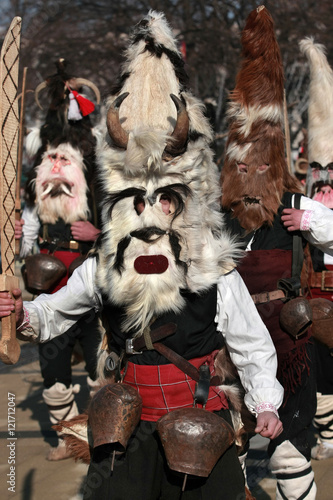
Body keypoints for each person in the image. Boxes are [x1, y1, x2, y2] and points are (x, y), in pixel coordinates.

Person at [1, 11, 283, 500]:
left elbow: (250, 342)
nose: (151, 210)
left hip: (200, 420)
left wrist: (266, 403)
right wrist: (19, 313)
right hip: (128, 426)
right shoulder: (105, 266)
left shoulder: (210, 263)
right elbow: (51, 314)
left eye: (164, 198)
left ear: (183, 198)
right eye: (138, 198)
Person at [220, 6, 333, 500]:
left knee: (289, 450)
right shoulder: (218, 215)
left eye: (259, 167)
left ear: (274, 164)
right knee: (232, 449)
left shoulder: (297, 203)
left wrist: (313, 222)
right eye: (241, 167)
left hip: (289, 344)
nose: (250, 176)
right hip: (229, 349)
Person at [16, 59, 103, 461]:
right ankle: (68, 439)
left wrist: (98, 235)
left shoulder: (99, 198)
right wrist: (15, 242)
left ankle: (102, 436)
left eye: (64, 161)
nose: (55, 168)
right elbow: (25, 241)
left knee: (103, 367)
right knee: (53, 373)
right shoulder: (38, 199)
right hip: (48, 289)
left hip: (93, 288)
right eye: (51, 161)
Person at [297, 37, 333, 461]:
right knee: (318, 372)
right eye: (318, 182)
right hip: (314, 304)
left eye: (331, 182)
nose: (324, 188)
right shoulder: (302, 221)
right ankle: (325, 432)